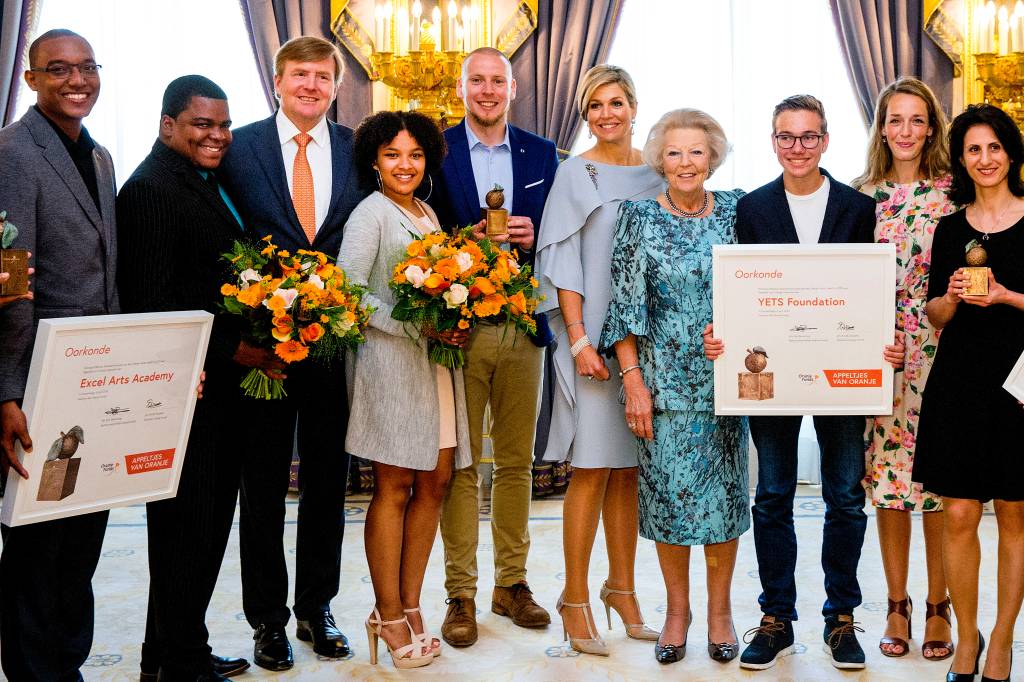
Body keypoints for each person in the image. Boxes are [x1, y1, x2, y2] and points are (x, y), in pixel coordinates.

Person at [703, 94, 904, 671]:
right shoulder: (751, 208)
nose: (798, 147)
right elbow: (738, 289)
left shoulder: (859, 208)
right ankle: (777, 619)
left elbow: (873, 293)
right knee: (772, 497)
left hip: (844, 376)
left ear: (825, 141)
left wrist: (885, 342)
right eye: (787, 137)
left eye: (808, 136)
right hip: (771, 377)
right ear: (773, 142)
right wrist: (723, 334)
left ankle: (841, 619)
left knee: (845, 498)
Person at [219, 36, 365, 670]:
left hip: (332, 344)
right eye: (300, 74)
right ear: (277, 81)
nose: (311, 85)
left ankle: (316, 608)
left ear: (336, 86)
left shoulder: (357, 148)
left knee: (328, 483)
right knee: (262, 485)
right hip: (264, 349)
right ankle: (267, 621)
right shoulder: (239, 146)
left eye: (322, 76)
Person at [117, 75, 255, 682]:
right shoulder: (150, 189)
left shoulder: (205, 179)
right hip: (185, 389)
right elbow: (154, 302)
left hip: (217, 388)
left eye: (224, 125)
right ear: (168, 124)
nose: (217, 135)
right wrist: (237, 349)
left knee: (204, 526)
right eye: (202, 124)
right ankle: (179, 662)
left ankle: (173, 651)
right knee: (184, 530)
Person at [599, 108, 749, 665]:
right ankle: (677, 613)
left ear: (713, 157)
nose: (686, 162)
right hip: (661, 387)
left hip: (728, 383)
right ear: (659, 160)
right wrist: (633, 382)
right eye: (674, 152)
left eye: (696, 151)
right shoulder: (638, 217)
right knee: (668, 504)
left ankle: (720, 613)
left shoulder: (736, 209)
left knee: (724, 502)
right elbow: (624, 305)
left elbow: (764, 287)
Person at [429, 46, 559, 647]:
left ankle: (512, 584)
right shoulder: (436, 150)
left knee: (515, 463)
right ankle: (460, 593)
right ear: (461, 89)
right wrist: (465, 240)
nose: (487, 90)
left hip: (523, 325)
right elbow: (420, 229)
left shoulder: (542, 153)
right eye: (476, 80)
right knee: (460, 463)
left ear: (513, 89)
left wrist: (536, 234)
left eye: (496, 81)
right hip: (459, 329)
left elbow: (561, 232)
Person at [0, 28, 117, 681]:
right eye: (60, 69)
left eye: (87, 68)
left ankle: (66, 665)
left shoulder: (97, 156)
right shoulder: (14, 152)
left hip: (91, 379)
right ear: (31, 78)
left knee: (82, 536)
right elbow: (9, 278)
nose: (78, 80)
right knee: (37, 543)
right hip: (37, 379)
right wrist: (6, 391)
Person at [534, 64, 662, 657]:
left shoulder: (657, 170)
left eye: (616, 102)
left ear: (634, 106)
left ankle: (623, 589)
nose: (606, 114)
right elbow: (563, 263)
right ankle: (576, 597)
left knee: (629, 467)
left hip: (646, 344)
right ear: (585, 115)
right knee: (590, 466)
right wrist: (581, 340)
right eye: (595, 106)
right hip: (591, 341)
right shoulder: (574, 173)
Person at [338, 109, 472, 669]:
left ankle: (412, 605)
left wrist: (456, 319)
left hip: (435, 366)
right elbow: (348, 291)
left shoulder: (427, 212)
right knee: (394, 486)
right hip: (390, 366)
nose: (405, 165)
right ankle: (387, 613)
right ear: (374, 160)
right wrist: (414, 325)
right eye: (393, 154)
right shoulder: (370, 213)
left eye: (415, 155)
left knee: (435, 481)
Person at [912, 103, 1024, 682]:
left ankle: (1001, 640)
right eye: (973, 149)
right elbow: (934, 315)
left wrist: (1006, 296)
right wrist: (952, 297)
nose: (985, 159)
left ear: (1011, 153)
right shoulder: (951, 229)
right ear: (960, 158)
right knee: (957, 512)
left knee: (1014, 513)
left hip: (1019, 385)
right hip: (959, 382)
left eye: (994, 147)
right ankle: (966, 640)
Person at [852, 77, 957, 661]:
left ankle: (939, 604)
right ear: (882, 127)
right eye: (896, 119)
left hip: (944, 348)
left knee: (938, 481)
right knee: (889, 483)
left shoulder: (955, 194)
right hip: (878, 354)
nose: (906, 130)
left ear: (932, 126)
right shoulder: (859, 195)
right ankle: (898, 603)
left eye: (918, 119)